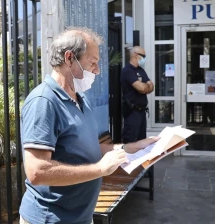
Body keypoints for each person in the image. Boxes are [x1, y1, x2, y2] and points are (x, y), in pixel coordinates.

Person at [19, 27, 159, 224]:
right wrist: (100, 170)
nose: (98, 70)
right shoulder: (44, 102)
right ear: (69, 58)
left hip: (81, 216)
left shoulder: (80, 98)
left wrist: (128, 148)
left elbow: (87, 147)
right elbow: (37, 171)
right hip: (50, 219)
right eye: (92, 63)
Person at [120, 46, 154, 144]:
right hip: (132, 112)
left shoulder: (141, 70)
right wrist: (145, 87)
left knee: (141, 142)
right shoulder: (127, 70)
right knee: (131, 142)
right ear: (135, 55)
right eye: (143, 56)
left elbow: (151, 86)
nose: (144, 58)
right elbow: (142, 88)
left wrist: (145, 87)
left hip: (142, 112)